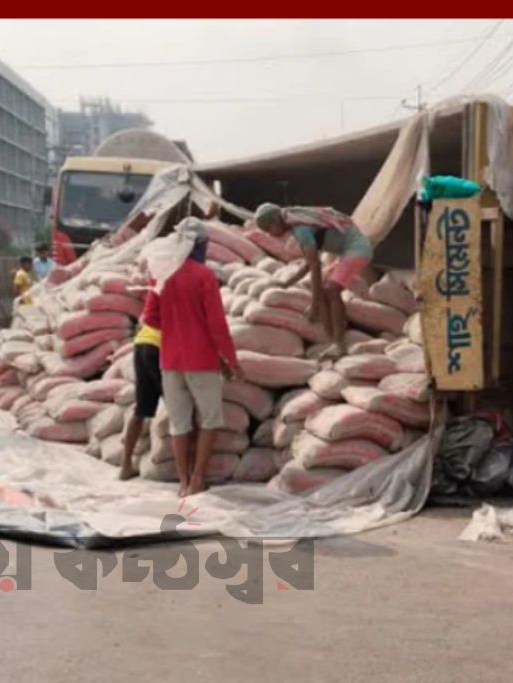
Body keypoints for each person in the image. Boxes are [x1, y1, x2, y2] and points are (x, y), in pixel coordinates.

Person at [141, 219, 242, 497]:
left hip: (170, 360)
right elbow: (217, 325)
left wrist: (175, 327)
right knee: (209, 419)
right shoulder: (204, 276)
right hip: (202, 361)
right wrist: (231, 360)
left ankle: (183, 482)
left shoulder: (161, 273)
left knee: (179, 423)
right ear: (200, 245)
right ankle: (198, 479)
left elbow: (150, 317)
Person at [255, 203, 373, 356]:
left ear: (276, 222)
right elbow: (308, 263)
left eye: (268, 229)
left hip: (357, 250)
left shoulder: (301, 230)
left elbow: (315, 266)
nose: (270, 234)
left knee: (331, 290)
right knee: (324, 292)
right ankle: (333, 341)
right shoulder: (297, 227)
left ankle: (340, 344)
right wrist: (288, 283)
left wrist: (314, 303)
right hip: (346, 253)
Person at [120, 275, 162, 480]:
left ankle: (125, 464)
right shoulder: (181, 280)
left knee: (141, 409)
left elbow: (144, 319)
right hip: (160, 348)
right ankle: (189, 474)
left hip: (142, 343)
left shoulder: (157, 281)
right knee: (180, 410)